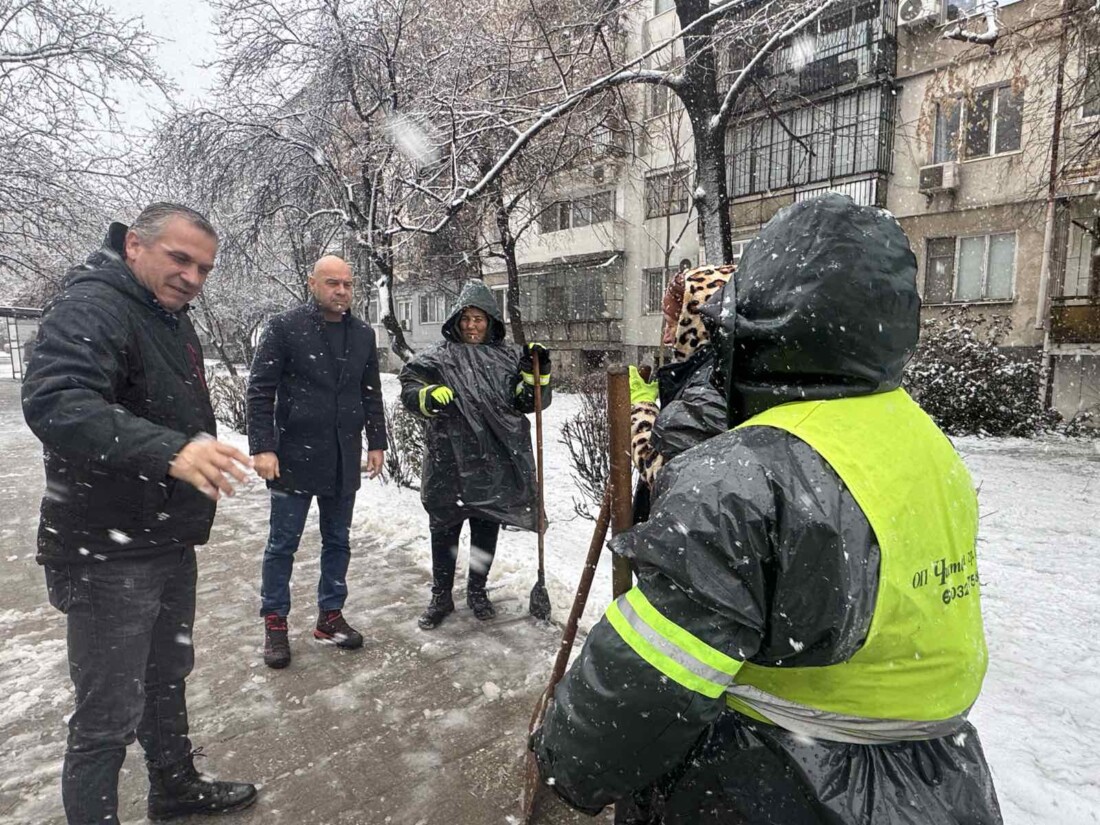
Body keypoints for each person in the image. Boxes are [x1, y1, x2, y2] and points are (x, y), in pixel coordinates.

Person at [533, 194, 1003, 825]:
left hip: (781, 779)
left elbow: (645, 689)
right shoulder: (918, 436)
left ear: (757, 314)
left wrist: (565, 758)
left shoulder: (748, 474)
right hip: (938, 780)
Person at [21, 203, 259, 824]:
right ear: (133, 245)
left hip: (162, 535)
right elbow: (57, 403)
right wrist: (172, 450)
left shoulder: (165, 316)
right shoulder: (92, 306)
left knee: (166, 676)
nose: (192, 278)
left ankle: (173, 786)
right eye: (180, 258)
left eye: (204, 268)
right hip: (106, 549)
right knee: (106, 716)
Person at [247, 255, 387, 669]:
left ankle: (330, 616)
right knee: (282, 543)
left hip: (344, 456)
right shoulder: (285, 328)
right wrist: (263, 446)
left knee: (338, 541)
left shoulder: (363, 334)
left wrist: (376, 442)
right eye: (332, 283)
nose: (341, 291)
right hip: (293, 455)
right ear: (312, 283)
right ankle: (275, 620)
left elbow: (371, 392)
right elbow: (260, 390)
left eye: (347, 284)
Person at [398, 279, 551, 629]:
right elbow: (409, 385)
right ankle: (441, 596)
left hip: (490, 463)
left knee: (485, 530)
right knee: (445, 531)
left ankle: (477, 592)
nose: (471, 325)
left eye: (478, 318)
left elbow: (529, 403)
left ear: (491, 321)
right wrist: (426, 394)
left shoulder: (508, 358)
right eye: (465, 318)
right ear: (455, 319)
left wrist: (536, 373)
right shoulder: (438, 357)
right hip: (448, 461)